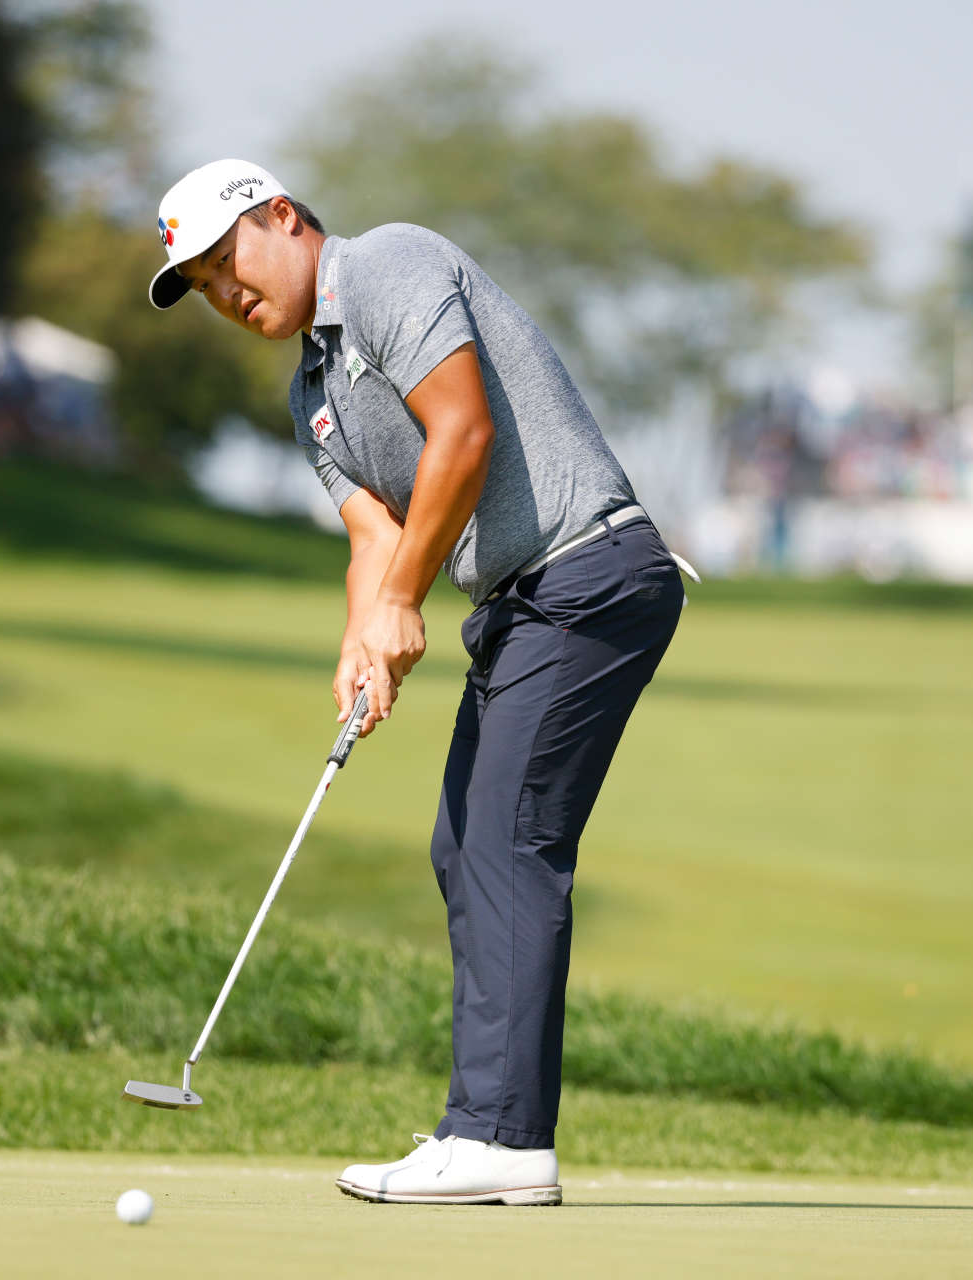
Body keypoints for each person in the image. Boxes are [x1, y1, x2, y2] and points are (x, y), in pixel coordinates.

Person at [148, 160, 691, 1206]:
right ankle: (486, 1127)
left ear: (283, 218)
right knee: (466, 842)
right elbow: (374, 533)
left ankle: (501, 1137)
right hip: (525, 604)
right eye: (206, 286)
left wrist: (404, 599)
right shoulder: (311, 390)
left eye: (228, 261)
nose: (226, 293)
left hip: (588, 570)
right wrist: (364, 633)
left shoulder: (389, 264)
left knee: (507, 836)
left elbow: (465, 431)